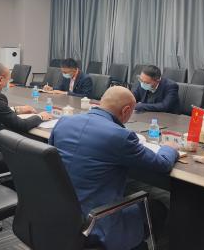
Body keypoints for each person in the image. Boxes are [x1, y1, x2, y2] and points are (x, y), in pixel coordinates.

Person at [49, 86, 179, 250]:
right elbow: (162, 164)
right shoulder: (120, 136)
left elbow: (52, 163)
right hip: (95, 222)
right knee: (159, 205)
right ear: (126, 110)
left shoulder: (63, 122)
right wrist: (169, 148)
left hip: (58, 213)